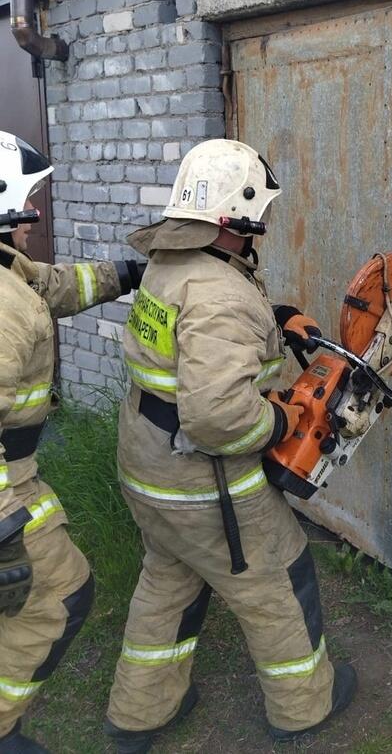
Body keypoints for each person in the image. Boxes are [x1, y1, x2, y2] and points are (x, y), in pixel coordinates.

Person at [105, 138, 356, 753]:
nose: (264, 226)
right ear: (233, 214)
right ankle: (304, 705)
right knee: (276, 582)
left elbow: (196, 331)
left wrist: (277, 316)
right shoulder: (222, 295)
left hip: (148, 467)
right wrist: (280, 423)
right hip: (204, 485)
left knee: (167, 582)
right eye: (260, 214)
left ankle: (141, 712)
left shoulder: (168, 267)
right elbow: (218, 415)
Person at [0, 130, 144, 754]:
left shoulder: (13, 278)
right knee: (58, 597)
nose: (35, 216)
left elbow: (52, 287)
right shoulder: (2, 305)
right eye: (28, 200)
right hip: (6, 492)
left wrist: (130, 273)